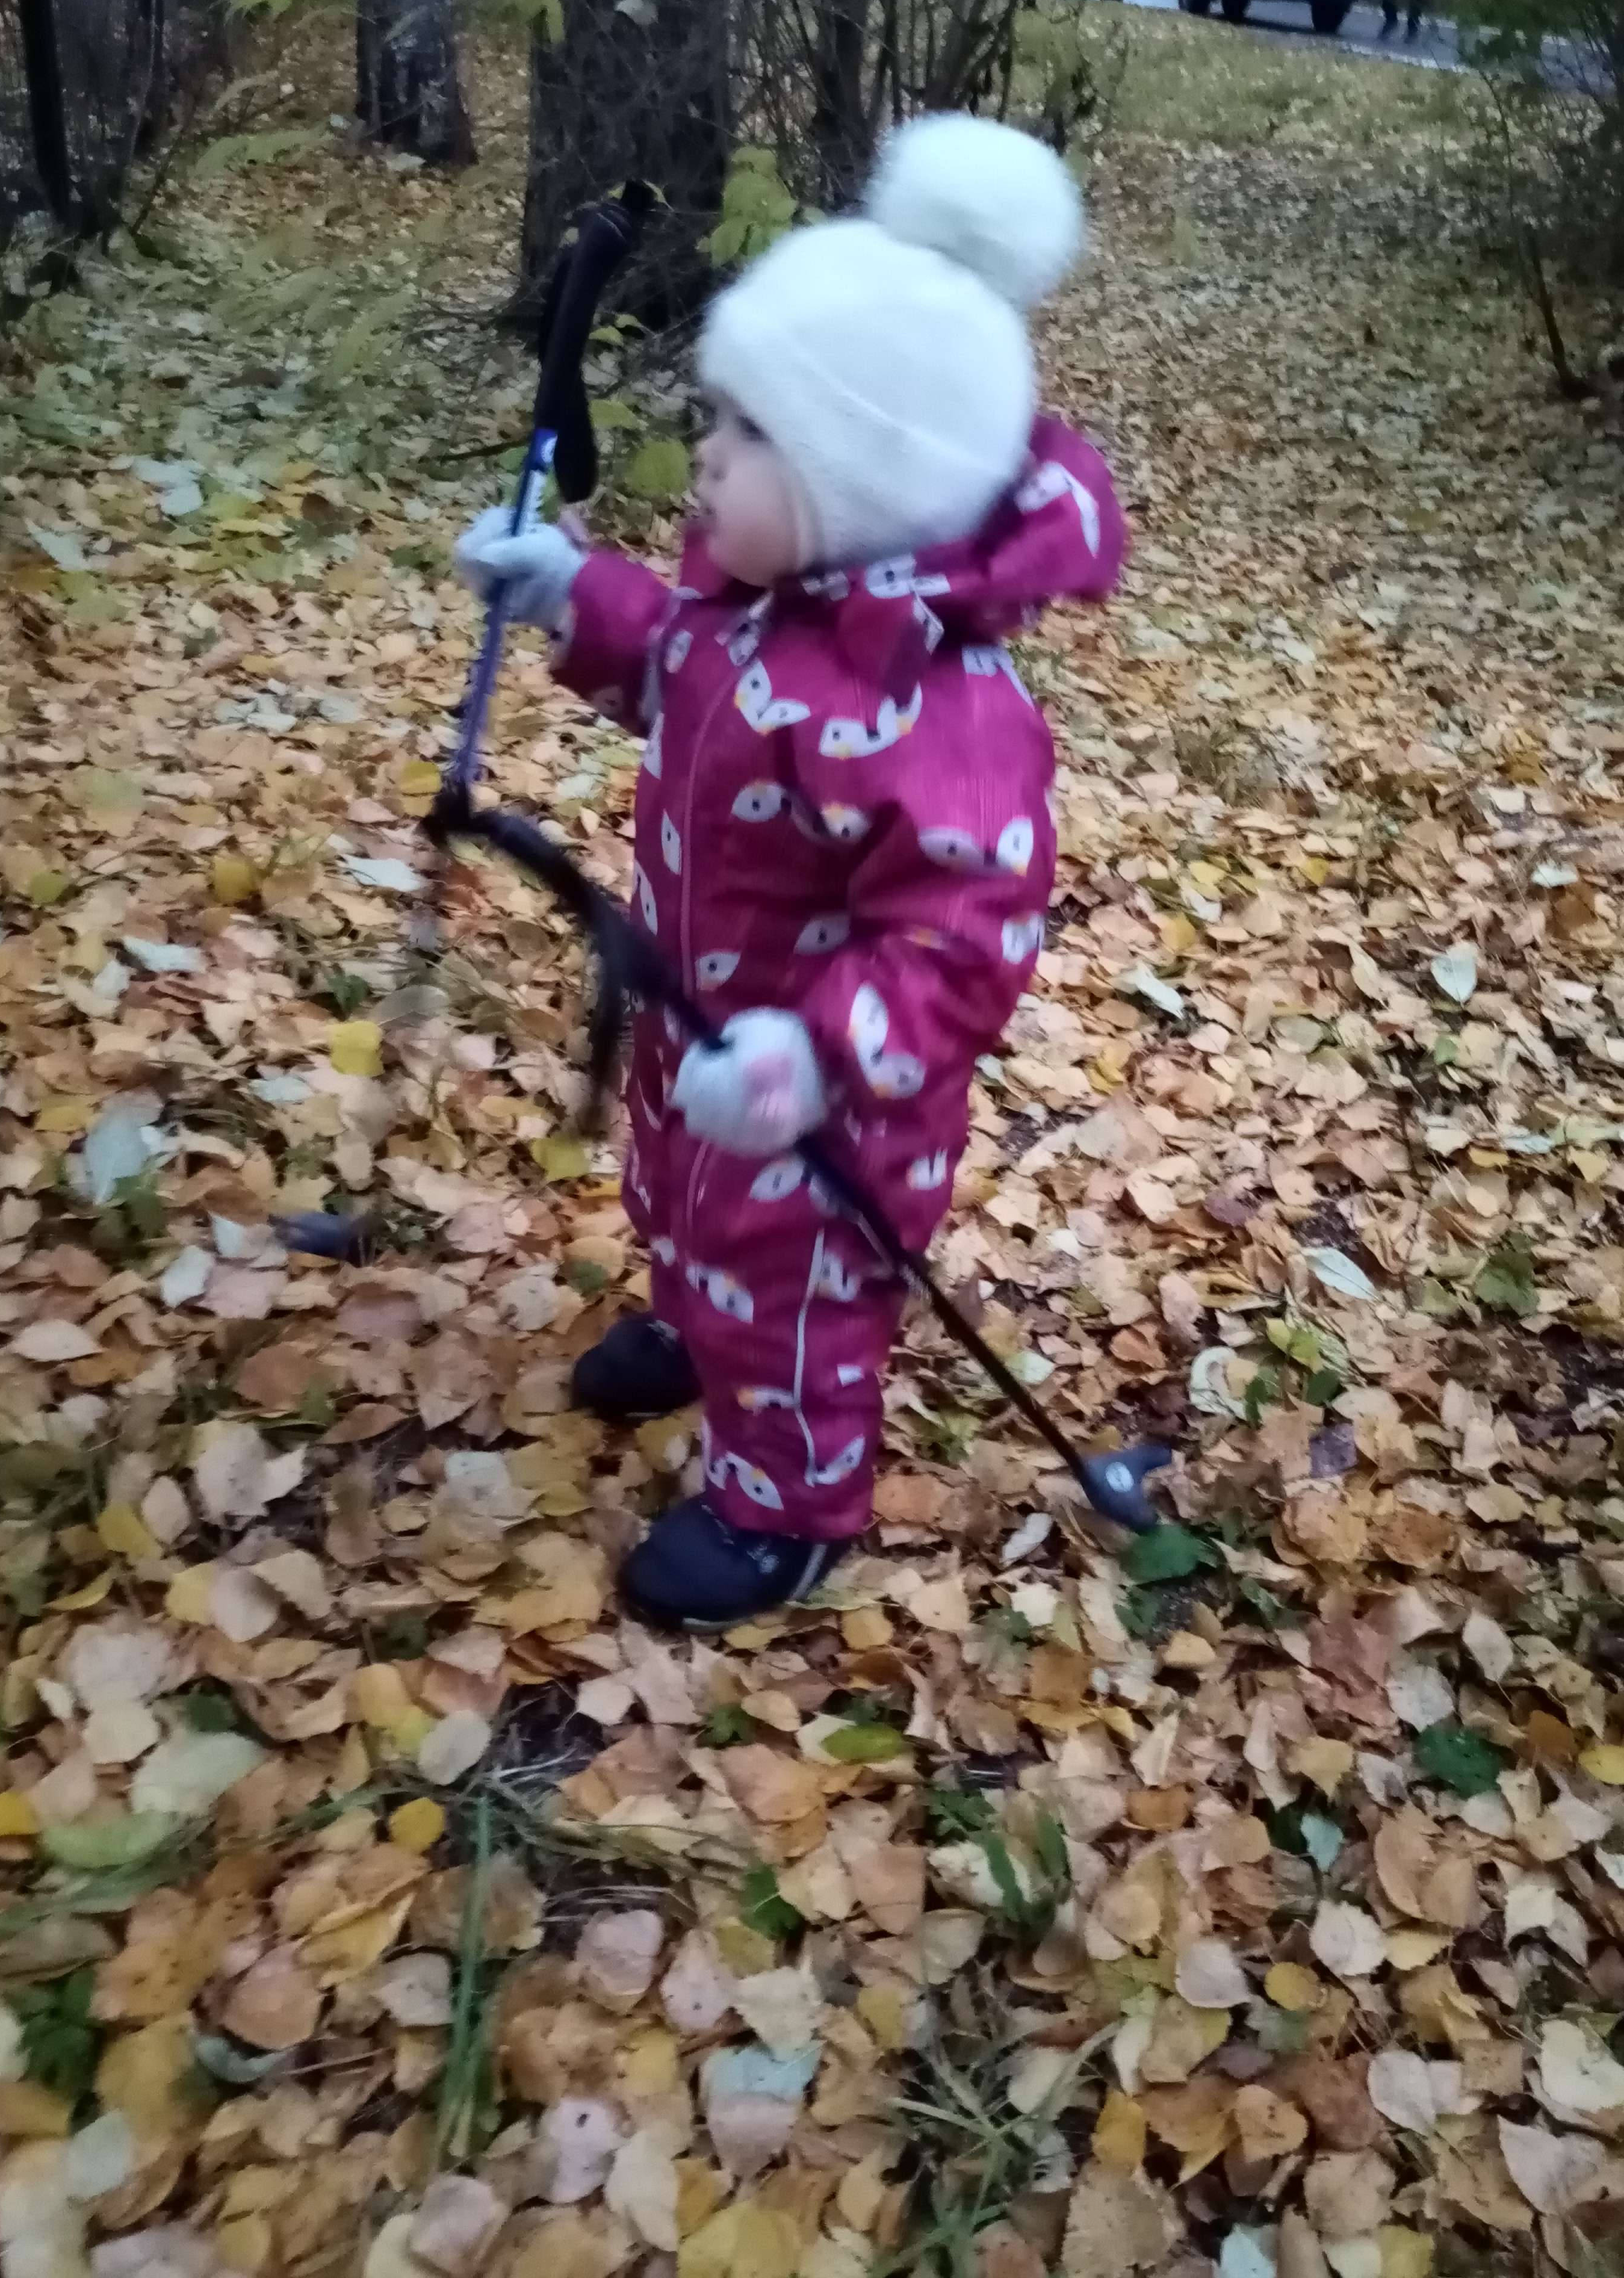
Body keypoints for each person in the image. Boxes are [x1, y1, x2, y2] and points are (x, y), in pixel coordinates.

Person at [454, 117, 1126, 1632]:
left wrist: (810, 1058)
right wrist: (570, 594)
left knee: (793, 1282)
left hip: (824, 1100)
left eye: (749, 433)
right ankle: (694, 1323)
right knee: (679, 1199)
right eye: (720, 416)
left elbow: (961, 942)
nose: (706, 455)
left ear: (861, 481)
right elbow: (675, 674)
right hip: (699, 1026)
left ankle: (788, 1507)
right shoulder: (762, 612)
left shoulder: (940, 712)